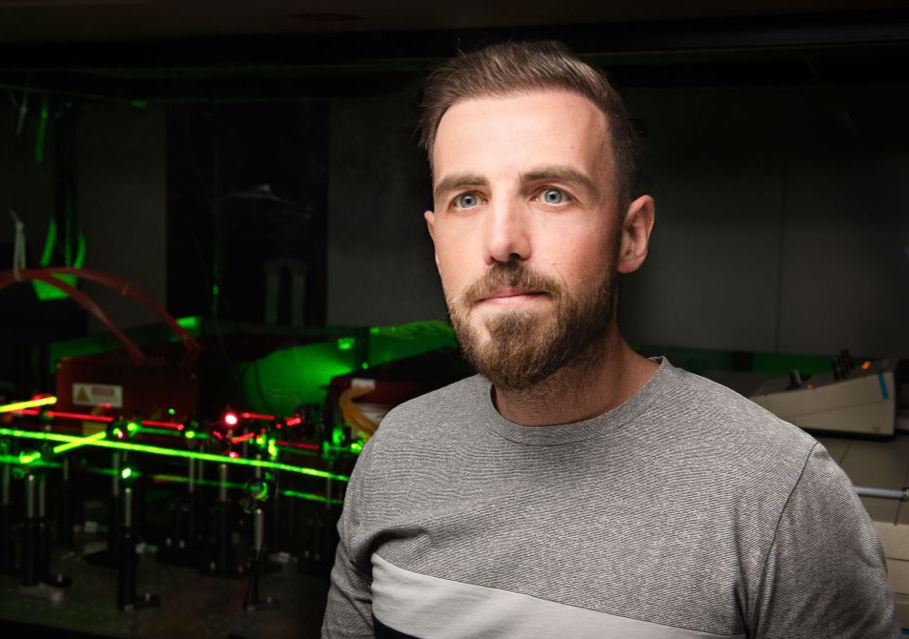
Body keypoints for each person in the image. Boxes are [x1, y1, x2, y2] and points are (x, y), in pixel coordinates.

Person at [322, 40, 899, 638]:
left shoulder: (778, 493)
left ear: (630, 235)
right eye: (467, 199)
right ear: (437, 241)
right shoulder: (396, 456)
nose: (502, 241)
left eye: (551, 194)